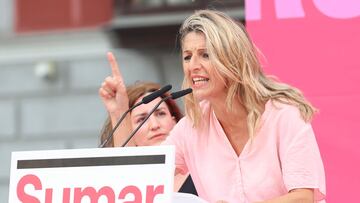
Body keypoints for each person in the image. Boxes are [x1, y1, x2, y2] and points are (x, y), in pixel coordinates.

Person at [100, 9, 325, 203]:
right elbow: (136, 180)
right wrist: (118, 110)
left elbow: (304, 197)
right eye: (187, 57)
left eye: (205, 55)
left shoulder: (283, 115)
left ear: (233, 59)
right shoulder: (191, 129)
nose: (193, 66)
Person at [99, 80, 197, 195]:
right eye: (142, 119)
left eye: (160, 114)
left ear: (174, 120)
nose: (155, 125)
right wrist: (118, 112)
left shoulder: (201, 163)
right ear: (128, 132)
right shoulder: (121, 183)